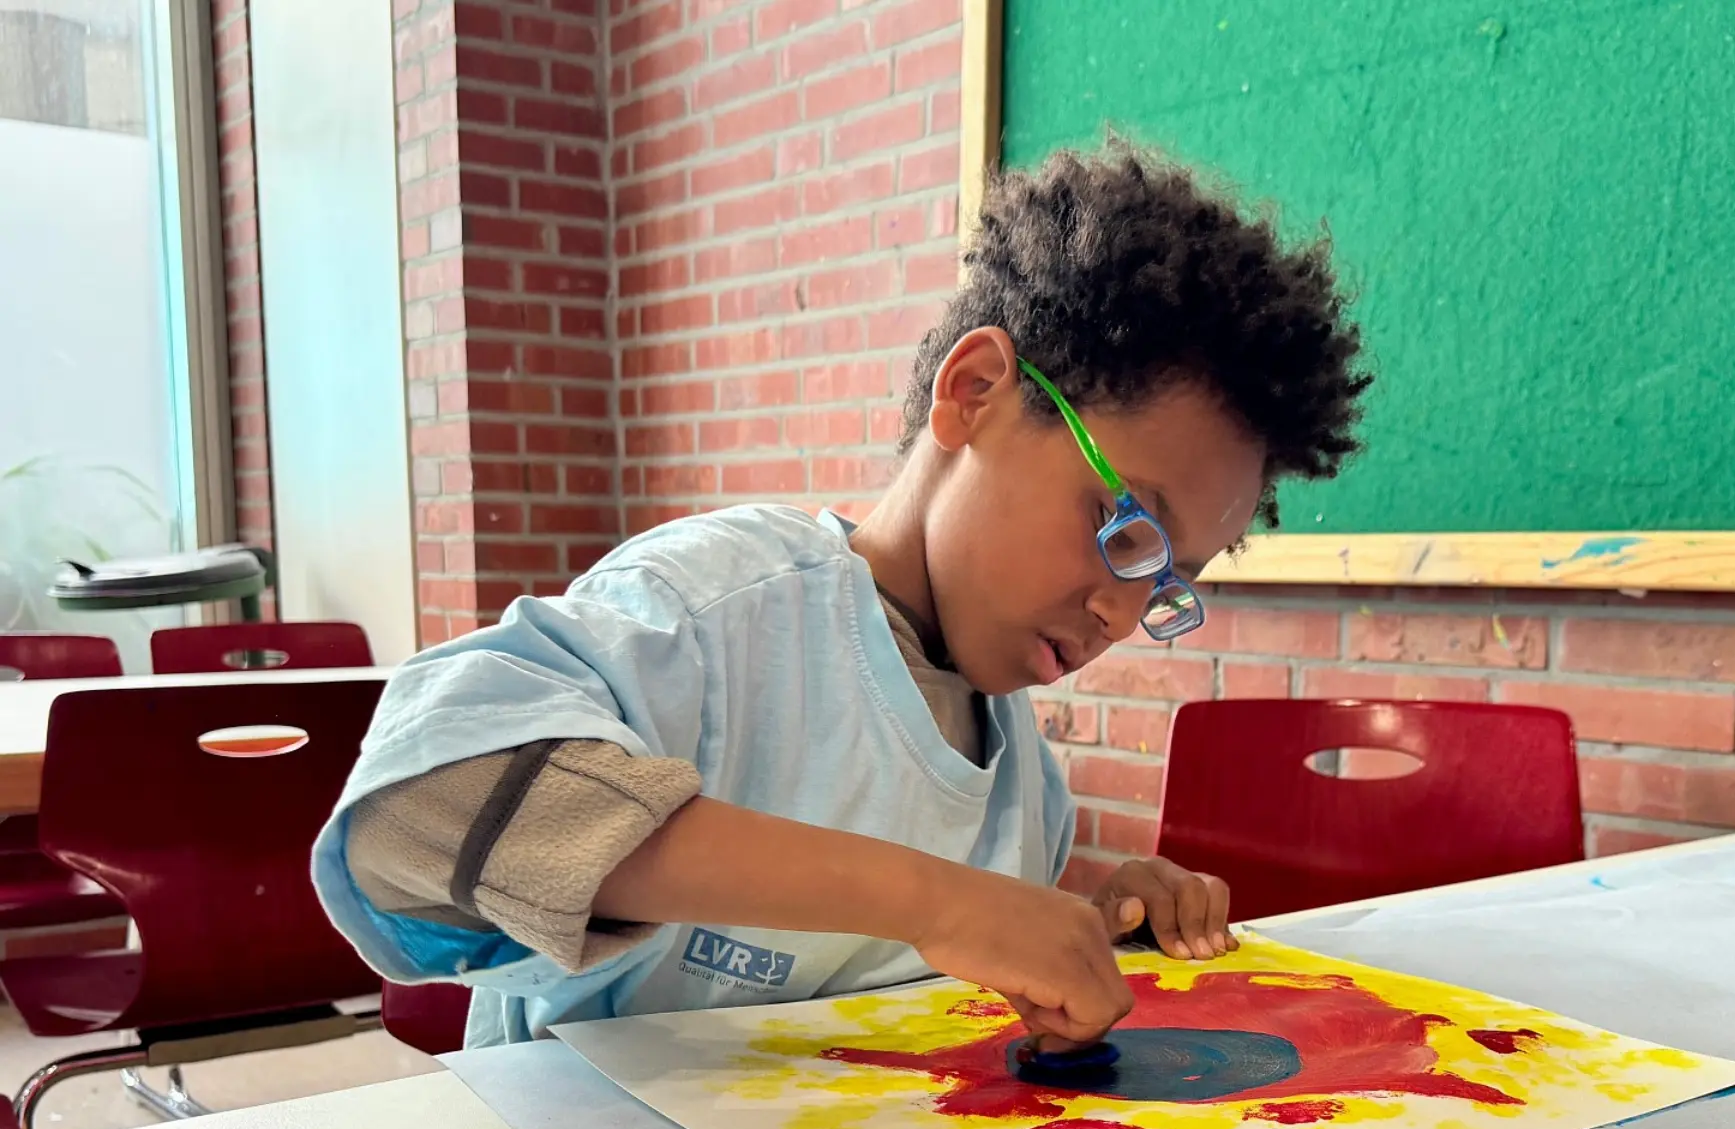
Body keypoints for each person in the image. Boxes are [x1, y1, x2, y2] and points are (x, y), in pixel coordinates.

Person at [313, 137, 1369, 1049]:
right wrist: (931, 898)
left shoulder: (1022, 785)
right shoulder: (712, 615)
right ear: (976, 394)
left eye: (1168, 584)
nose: (1123, 614)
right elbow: (417, 819)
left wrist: (1074, 931)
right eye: (1127, 530)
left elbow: (889, 1017)